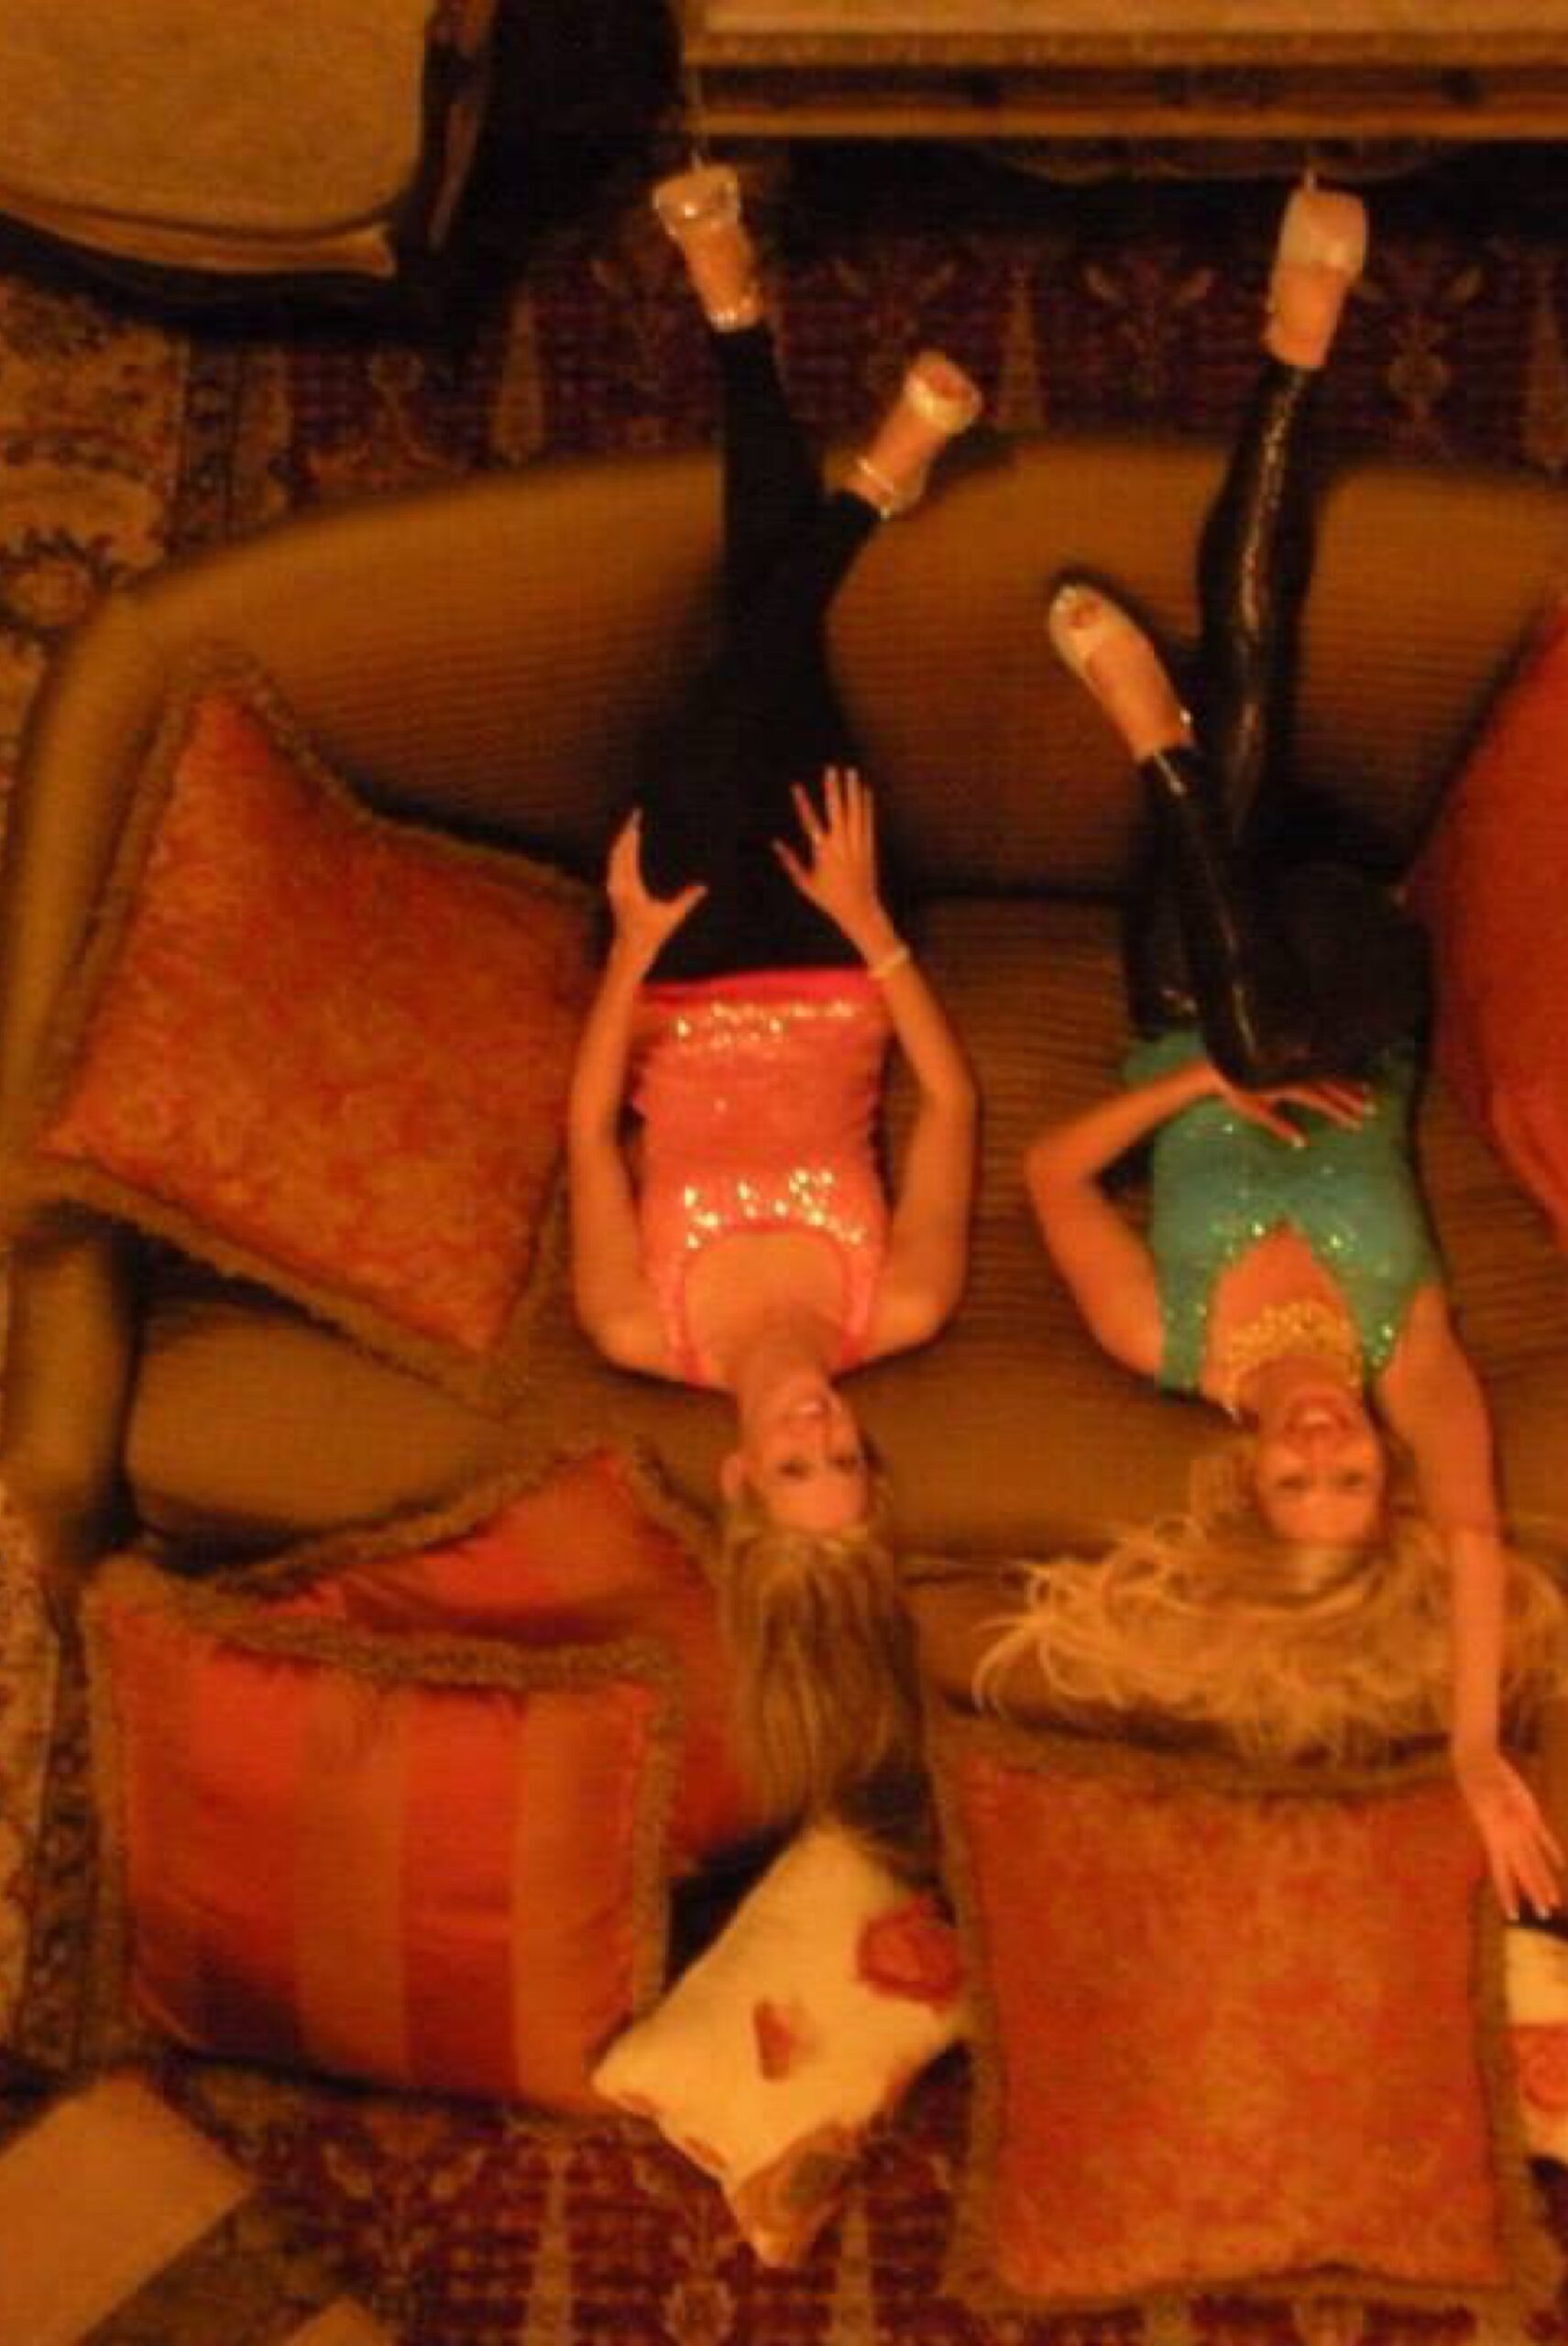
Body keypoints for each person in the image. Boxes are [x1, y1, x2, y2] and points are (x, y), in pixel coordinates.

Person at [1017, 181, 1568, 1920]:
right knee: (1258, 891)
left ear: (1249, 1478)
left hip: (1183, 975)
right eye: (1354, 1478)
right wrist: (1470, 1748)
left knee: (1251, 676)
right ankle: (1160, 755)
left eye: (1301, 1478)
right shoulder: (1412, 1357)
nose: (1331, 1444)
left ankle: (1293, 358)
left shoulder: (1167, 1341)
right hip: (1346, 950)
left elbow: (1052, 1174)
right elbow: (1476, 1541)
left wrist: (1204, 1083)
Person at [565, 163, 979, 1837]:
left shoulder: (636, 1330)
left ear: (741, 1480)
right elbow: (951, 1105)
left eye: (794, 1467)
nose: (818, 1432)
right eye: (846, 1461)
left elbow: (588, 1132)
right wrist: (872, 929)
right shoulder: (904, 1306)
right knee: (760, 678)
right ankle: (761, 349)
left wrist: (626, 943)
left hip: (673, 963)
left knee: (718, 720)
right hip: (823, 934)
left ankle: (854, 470)